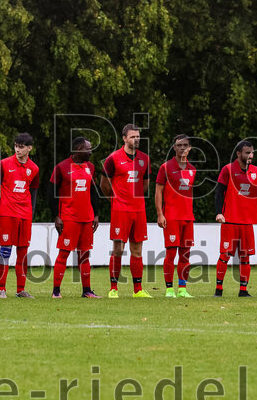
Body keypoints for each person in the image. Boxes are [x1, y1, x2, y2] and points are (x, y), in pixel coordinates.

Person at [101, 123, 152, 298]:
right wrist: (115, 201)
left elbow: (145, 184)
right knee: (118, 249)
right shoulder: (113, 158)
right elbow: (104, 185)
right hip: (120, 210)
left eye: (138, 136)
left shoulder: (145, 158)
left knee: (137, 250)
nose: (136, 139)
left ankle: (138, 290)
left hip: (138, 210)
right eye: (132, 137)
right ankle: (113, 288)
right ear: (124, 138)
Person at [0, 133, 39, 298]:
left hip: (25, 215)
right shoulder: (4, 164)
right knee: (5, 250)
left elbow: (34, 194)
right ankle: (1, 289)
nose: (18, 149)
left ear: (29, 148)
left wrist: (31, 214)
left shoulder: (35, 169)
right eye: (16, 146)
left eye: (21, 147)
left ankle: (20, 290)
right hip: (7, 213)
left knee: (23, 251)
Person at [49, 137, 101, 298]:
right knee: (63, 253)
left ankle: (87, 291)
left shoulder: (90, 167)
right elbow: (51, 193)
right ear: (79, 149)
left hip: (87, 218)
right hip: (68, 218)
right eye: (89, 148)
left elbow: (93, 192)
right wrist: (56, 216)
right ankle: (56, 291)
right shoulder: (61, 167)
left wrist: (96, 214)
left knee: (84, 255)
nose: (91, 151)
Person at [214, 140, 257, 297]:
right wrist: (218, 212)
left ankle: (243, 290)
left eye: (252, 152)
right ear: (238, 154)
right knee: (225, 255)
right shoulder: (228, 169)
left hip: (247, 222)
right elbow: (219, 192)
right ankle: (218, 289)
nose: (250, 155)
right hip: (230, 221)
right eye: (247, 152)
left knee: (245, 257)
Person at [154, 134, 196, 298]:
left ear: (190, 148)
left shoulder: (192, 169)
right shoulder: (165, 167)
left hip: (188, 217)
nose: (182, 148)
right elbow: (158, 191)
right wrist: (160, 214)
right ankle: (169, 289)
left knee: (185, 255)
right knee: (171, 254)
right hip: (171, 217)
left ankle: (183, 289)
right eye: (179, 145)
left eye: (185, 145)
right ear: (174, 147)